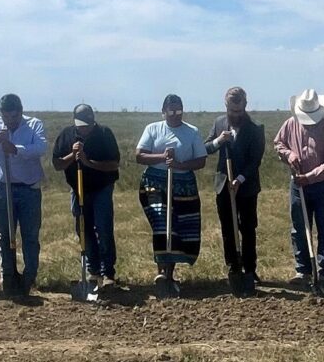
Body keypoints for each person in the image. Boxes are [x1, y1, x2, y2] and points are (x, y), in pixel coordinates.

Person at [0, 94, 47, 296]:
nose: (10, 121)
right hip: (3, 187)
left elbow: (41, 148)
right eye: (6, 117)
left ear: (21, 112)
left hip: (28, 189)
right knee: (5, 234)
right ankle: (7, 275)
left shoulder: (34, 125)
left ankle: (29, 277)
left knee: (30, 235)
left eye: (14, 117)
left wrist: (16, 149)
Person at [136, 94, 207, 296]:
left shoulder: (192, 132)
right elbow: (139, 155)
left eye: (179, 110)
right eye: (171, 111)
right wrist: (162, 157)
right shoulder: (153, 129)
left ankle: (168, 274)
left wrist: (179, 165)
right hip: (154, 184)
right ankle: (161, 271)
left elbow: (201, 160)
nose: (175, 114)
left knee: (177, 228)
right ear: (163, 111)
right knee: (162, 223)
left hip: (183, 185)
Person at [274, 89, 324, 296]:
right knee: (299, 226)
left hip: (323, 185)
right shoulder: (290, 124)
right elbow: (279, 143)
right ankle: (303, 270)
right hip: (298, 184)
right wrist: (289, 155)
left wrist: (310, 177)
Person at [51, 103, 120, 289]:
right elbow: (57, 164)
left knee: (103, 228)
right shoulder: (66, 135)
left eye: (88, 126)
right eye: (81, 126)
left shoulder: (104, 134)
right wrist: (72, 156)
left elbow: (114, 164)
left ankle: (108, 273)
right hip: (78, 189)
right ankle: (93, 271)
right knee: (83, 228)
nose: (85, 129)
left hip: (101, 188)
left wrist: (87, 162)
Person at [204, 87, 265, 293]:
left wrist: (239, 179)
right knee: (228, 228)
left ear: (245, 106)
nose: (235, 115)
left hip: (246, 187)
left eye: (239, 111)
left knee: (247, 228)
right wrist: (218, 141)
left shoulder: (255, 129)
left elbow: (255, 160)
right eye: (232, 110)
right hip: (223, 185)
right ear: (226, 106)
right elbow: (206, 148)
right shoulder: (219, 123)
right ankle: (233, 266)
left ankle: (250, 269)